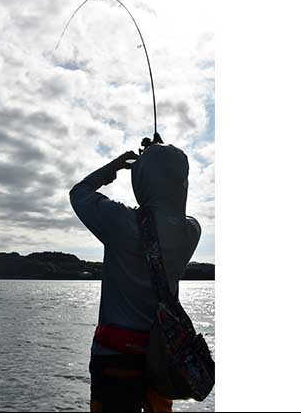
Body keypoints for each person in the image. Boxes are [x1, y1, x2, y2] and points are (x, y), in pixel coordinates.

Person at [70, 143, 202, 412]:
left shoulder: (120, 221)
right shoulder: (192, 231)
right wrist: (161, 159)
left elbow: (79, 193)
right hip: (163, 357)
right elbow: (169, 198)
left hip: (116, 356)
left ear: (140, 177)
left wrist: (114, 167)